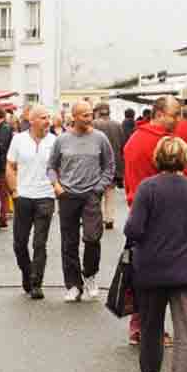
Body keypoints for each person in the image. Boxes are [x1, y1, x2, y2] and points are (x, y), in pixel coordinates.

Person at [127, 135, 187, 372]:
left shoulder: (147, 188)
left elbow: (134, 230)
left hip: (152, 269)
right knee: (186, 333)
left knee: (151, 326)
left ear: (157, 158)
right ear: (186, 158)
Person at [122, 97, 181, 343]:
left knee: (142, 271)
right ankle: (151, 329)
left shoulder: (134, 138)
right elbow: (173, 179)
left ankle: (138, 326)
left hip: (136, 208)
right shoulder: (163, 143)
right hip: (160, 214)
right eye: (174, 114)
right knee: (160, 276)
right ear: (158, 114)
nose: (178, 120)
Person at [50, 101, 117, 302]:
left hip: (91, 194)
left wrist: (99, 188)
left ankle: (90, 275)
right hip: (67, 195)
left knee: (92, 238)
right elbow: (51, 166)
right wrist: (56, 185)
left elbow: (110, 165)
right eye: (85, 115)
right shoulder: (62, 140)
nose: (89, 119)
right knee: (68, 241)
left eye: (90, 114)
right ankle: (73, 285)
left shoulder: (100, 138)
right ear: (74, 117)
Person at [7, 105, 60, 300]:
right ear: (32, 120)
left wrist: (55, 185)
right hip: (23, 197)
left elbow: (55, 168)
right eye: (44, 118)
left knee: (40, 243)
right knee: (19, 243)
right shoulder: (18, 140)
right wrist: (14, 192)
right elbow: (10, 166)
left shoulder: (55, 142)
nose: (48, 121)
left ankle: (37, 282)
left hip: (45, 197)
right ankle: (27, 272)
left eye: (49, 118)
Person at [93, 102, 124, 230]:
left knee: (96, 193)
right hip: (114, 163)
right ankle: (109, 218)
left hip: (97, 164)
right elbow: (122, 144)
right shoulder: (117, 125)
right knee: (110, 192)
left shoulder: (94, 124)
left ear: (98, 112)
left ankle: (97, 218)